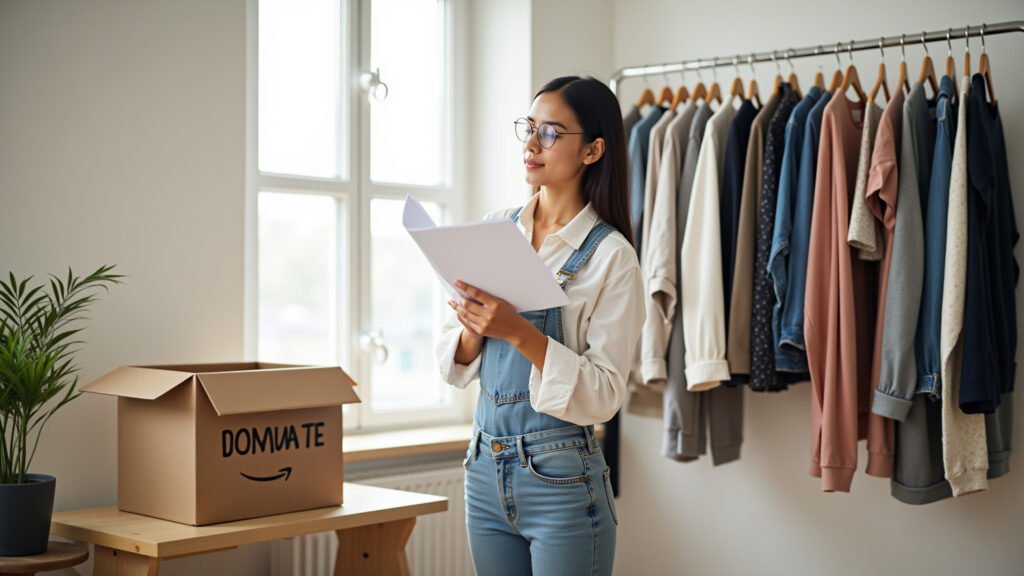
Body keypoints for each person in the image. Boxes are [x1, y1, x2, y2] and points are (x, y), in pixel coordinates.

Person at [436, 75, 644, 576]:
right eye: (529, 128)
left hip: (562, 481)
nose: (531, 144)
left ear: (592, 150)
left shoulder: (613, 257)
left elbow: (605, 395)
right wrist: (475, 326)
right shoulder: (496, 227)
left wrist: (518, 331)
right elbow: (453, 363)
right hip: (483, 468)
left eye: (550, 132)